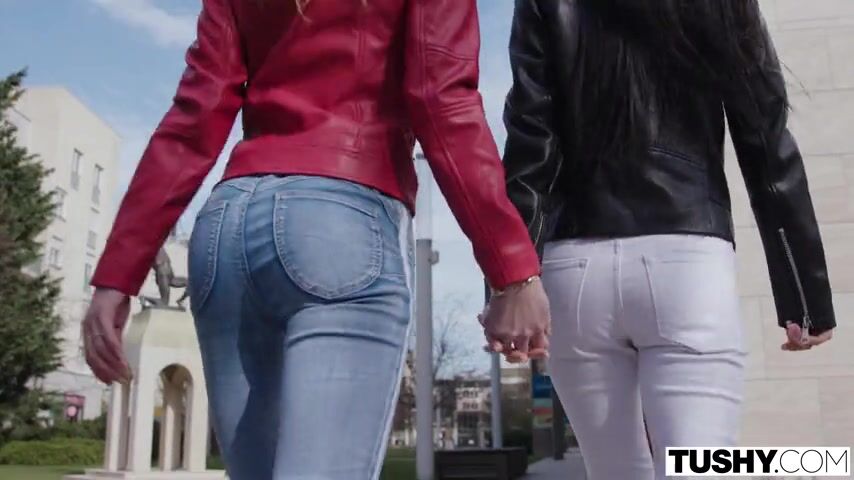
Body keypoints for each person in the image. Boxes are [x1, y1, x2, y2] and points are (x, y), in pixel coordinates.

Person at [81, 1, 550, 478]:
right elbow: (442, 102)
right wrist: (513, 271)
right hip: (340, 224)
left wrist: (118, 275)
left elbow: (193, 119)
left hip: (227, 228)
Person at [502, 1, 836, 478]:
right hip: (686, 264)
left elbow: (530, 136)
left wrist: (512, 282)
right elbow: (766, 141)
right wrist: (804, 297)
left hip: (574, 271)